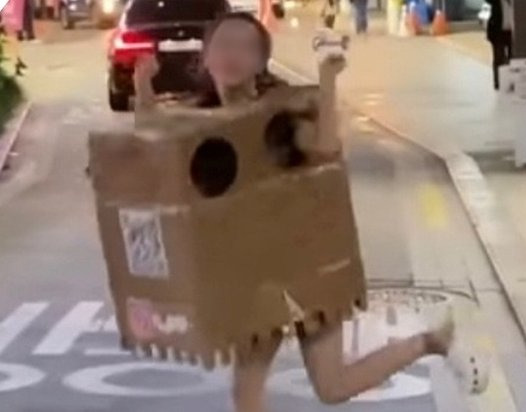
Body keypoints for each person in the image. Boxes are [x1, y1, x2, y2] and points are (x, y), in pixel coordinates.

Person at [134, 12, 455, 412]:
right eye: (225, 45)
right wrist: (142, 86)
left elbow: (324, 149)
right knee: (245, 395)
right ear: (207, 57)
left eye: (245, 48)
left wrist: (328, 79)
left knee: (332, 386)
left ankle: (427, 342)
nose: (233, 55)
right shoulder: (198, 118)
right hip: (255, 278)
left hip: (308, 265)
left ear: (260, 62)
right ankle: (431, 342)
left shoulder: (280, 115)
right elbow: (151, 138)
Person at [486, 0, 513, 90]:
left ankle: (512, 81)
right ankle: (498, 83)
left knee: (513, 58)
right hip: (498, 32)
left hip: (512, 33)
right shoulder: (496, 1)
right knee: (498, 58)